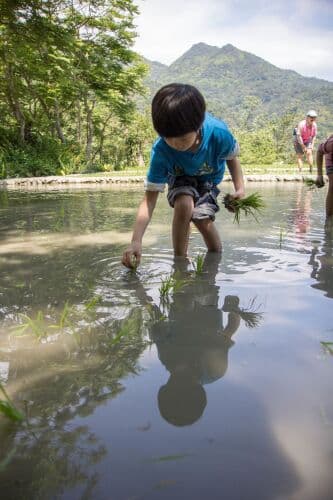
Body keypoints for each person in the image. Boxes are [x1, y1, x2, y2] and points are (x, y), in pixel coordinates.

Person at [122, 83, 245, 269]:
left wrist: (240, 189)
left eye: (181, 139)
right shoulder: (161, 151)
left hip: (208, 179)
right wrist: (136, 241)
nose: (174, 145)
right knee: (184, 203)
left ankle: (214, 262)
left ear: (198, 126)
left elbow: (232, 159)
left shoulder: (219, 134)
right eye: (167, 138)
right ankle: (179, 264)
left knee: (202, 219)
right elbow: (149, 200)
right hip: (179, 177)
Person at [315, 134, 333, 217]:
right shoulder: (331, 144)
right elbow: (319, 151)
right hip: (331, 164)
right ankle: (329, 219)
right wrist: (319, 175)